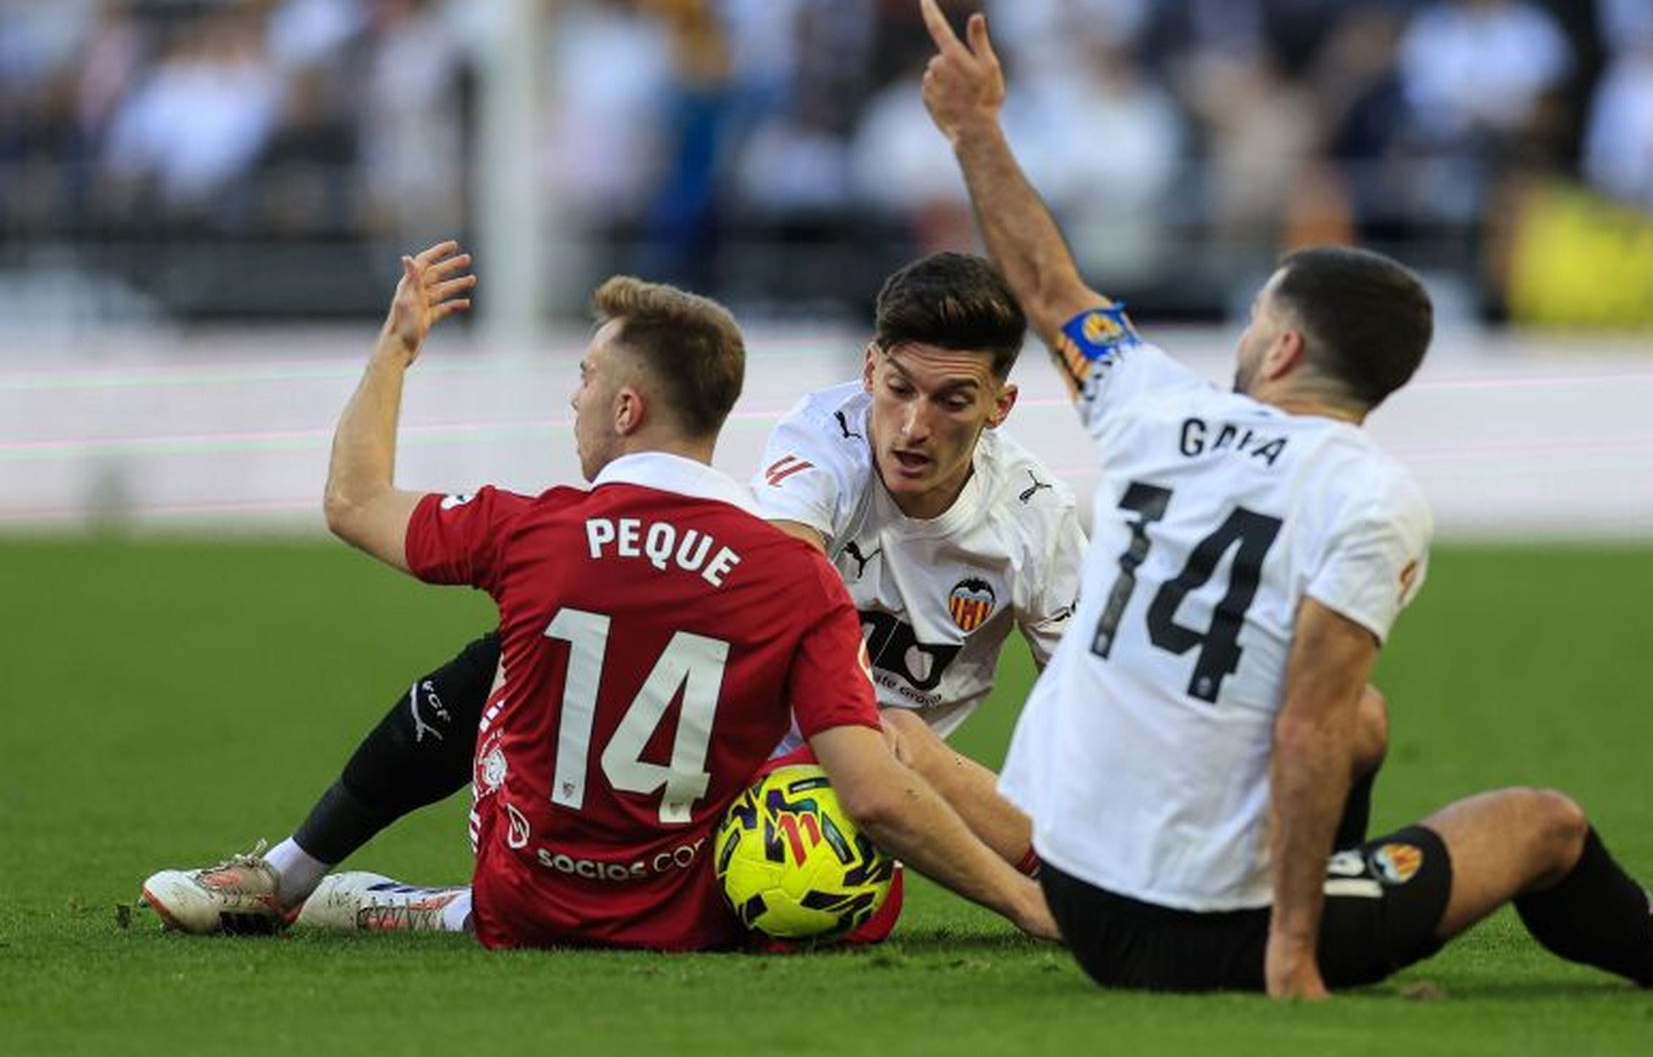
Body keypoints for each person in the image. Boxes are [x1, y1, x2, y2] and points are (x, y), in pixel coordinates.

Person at [916, 0, 1653, 997]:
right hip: (1194, 932)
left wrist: (975, 128)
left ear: (1281, 349)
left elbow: (1048, 285)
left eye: (1257, 318)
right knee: (1544, 823)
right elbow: (1303, 729)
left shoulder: (1150, 405)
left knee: (1365, 719)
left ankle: (1302, 898)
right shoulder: (1370, 494)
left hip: (1073, 873)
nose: (1244, 335)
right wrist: (1290, 955)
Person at [145, 241, 1054, 949]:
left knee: (509, 654)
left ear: (626, 409)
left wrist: (394, 352)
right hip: (698, 909)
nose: (572, 398)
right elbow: (878, 793)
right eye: (900, 389)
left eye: (583, 379)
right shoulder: (796, 568)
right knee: (857, 761)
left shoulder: (535, 527)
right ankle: (1077, 891)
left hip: (518, 895)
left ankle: (317, 881)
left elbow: (351, 501)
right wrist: (1024, 905)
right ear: (867, 374)